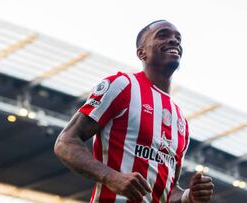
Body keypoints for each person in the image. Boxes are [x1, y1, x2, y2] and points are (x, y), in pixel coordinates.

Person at [54, 20, 214, 203]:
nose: (174, 41)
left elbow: (167, 192)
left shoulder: (181, 121)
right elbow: (65, 142)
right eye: (163, 35)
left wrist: (189, 196)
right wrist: (111, 177)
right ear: (141, 52)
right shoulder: (122, 86)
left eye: (178, 38)